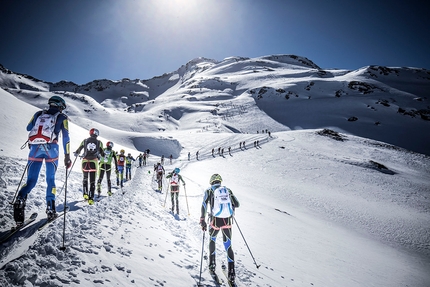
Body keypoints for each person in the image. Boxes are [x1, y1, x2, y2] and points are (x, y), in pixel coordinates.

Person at [14, 96, 71, 224]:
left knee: (31, 181)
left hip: (35, 148)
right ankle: (51, 209)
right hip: (52, 149)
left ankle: (20, 201)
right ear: (60, 106)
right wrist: (67, 156)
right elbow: (66, 137)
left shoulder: (38, 114)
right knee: (50, 179)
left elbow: (28, 128)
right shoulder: (63, 117)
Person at [200, 174, 240, 284]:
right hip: (227, 221)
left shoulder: (209, 191)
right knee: (228, 246)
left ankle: (212, 265)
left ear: (211, 181)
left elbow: (203, 205)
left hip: (215, 222)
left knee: (212, 240)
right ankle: (231, 273)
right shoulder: (227, 190)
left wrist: (202, 219)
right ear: (220, 181)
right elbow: (237, 204)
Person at [74, 128, 104, 205]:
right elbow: (102, 153)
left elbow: (78, 150)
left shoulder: (84, 141)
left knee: (85, 178)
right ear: (97, 134)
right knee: (92, 181)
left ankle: (85, 194)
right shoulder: (99, 142)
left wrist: (77, 153)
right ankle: (91, 198)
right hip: (94, 162)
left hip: (84, 162)